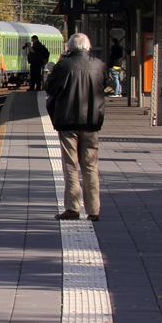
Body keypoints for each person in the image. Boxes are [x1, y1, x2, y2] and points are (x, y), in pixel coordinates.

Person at [44, 32, 106, 221]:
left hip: (68, 122)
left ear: (69, 47)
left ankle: (72, 208)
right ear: (89, 47)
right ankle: (94, 210)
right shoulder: (99, 65)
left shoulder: (63, 66)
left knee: (71, 165)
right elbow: (105, 84)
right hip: (91, 122)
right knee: (90, 165)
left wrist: (58, 66)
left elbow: (49, 88)